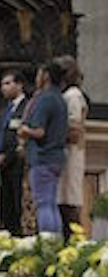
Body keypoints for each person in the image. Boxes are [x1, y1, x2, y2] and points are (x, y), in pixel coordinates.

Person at [18, 62, 68, 234]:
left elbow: (39, 132)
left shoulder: (45, 98)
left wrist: (24, 130)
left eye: (39, 73)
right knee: (51, 203)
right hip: (56, 158)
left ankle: (48, 242)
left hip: (42, 157)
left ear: (46, 75)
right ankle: (55, 241)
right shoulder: (60, 98)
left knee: (43, 204)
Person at [54, 55, 89, 240]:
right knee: (62, 201)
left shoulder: (73, 96)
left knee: (69, 201)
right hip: (65, 154)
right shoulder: (65, 95)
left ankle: (75, 242)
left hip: (71, 154)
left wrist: (51, 134)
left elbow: (74, 130)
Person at [0, 69, 28, 235]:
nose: (4, 88)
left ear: (19, 85)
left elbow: (19, 137)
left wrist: (6, 157)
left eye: (8, 83)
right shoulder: (3, 111)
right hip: (1, 164)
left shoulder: (26, 107)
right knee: (5, 205)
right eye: (2, 84)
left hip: (17, 162)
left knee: (17, 204)